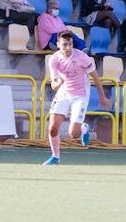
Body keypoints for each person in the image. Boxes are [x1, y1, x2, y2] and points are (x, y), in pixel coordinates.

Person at [43, 31, 109, 165]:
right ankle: (55, 156)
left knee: (73, 134)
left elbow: (96, 77)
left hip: (80, 95)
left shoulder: (82, 57)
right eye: (65, 45)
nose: (68, 48)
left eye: (70, 44)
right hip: (64, 92)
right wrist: (56, 84)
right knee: (52, 128)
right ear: (58, 45)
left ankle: (84, 128)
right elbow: (54, 81)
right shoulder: (54, 59)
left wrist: (103, 97)